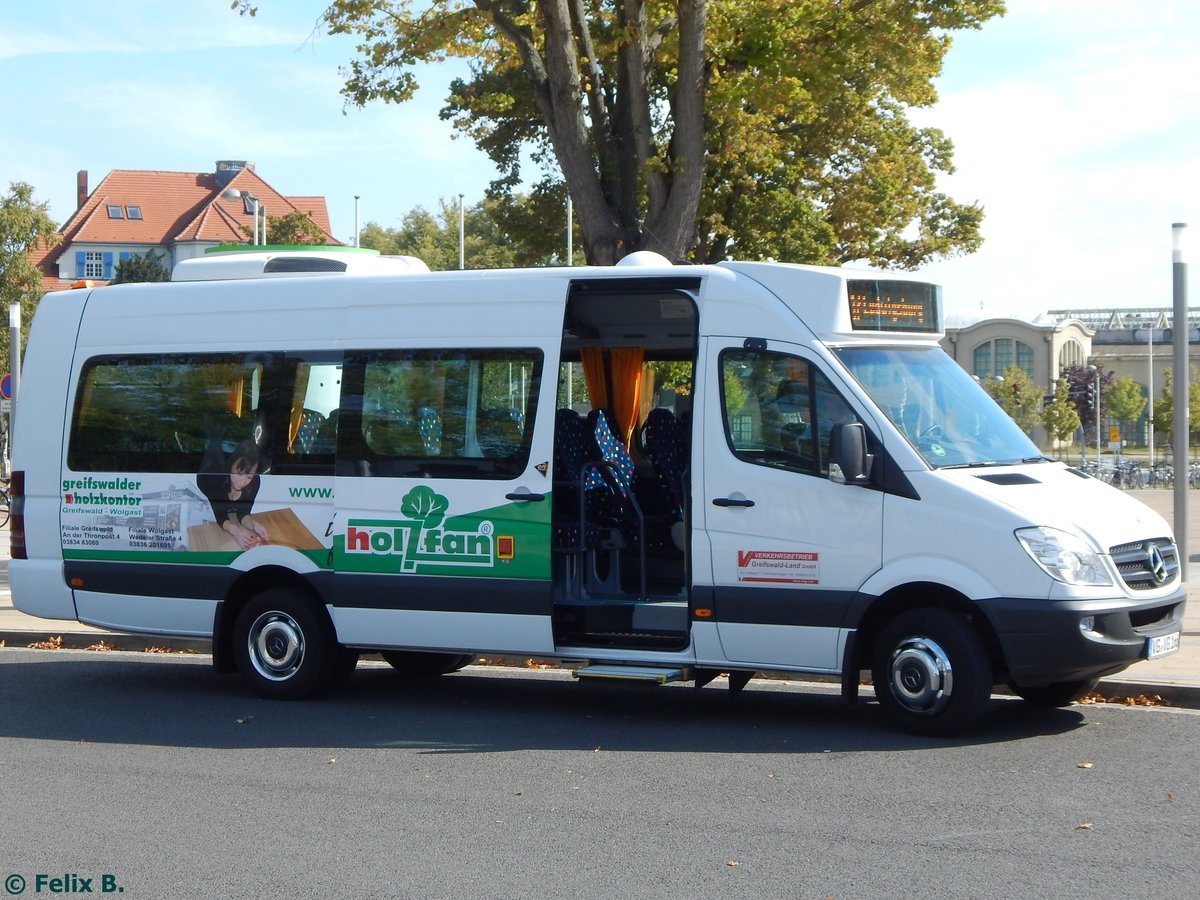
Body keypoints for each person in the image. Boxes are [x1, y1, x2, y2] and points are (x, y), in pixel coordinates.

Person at [198, 438, 269, 550]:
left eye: (249, 477)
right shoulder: (215, 479)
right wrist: (236, 531)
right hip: (204, 476)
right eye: (239, 474)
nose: (243, 482)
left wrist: (254, 525)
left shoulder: (255, 482)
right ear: (231, 464)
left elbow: (243, 512)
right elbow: (220, 515)